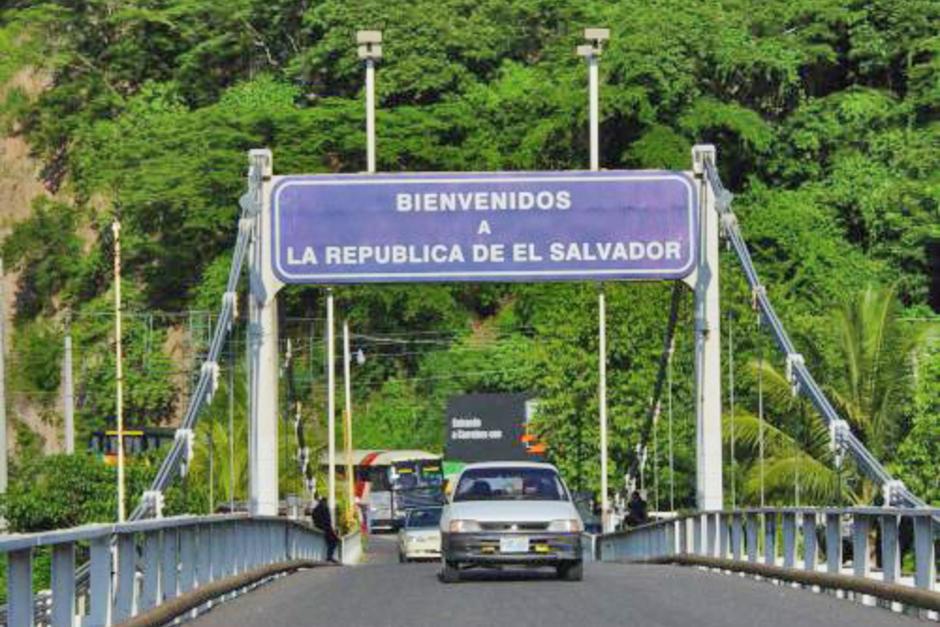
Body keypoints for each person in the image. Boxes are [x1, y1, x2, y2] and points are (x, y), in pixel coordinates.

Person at [311, 494, 340, 563]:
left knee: (331, 540)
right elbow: (328, 520)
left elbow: (313, 516)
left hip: (318, 527)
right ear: (326, 501)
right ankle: (329, 556)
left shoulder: (316, 508)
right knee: (334, 540)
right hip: (326, 528)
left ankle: (329, 556)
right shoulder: (325, 507)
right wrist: (332, 531)